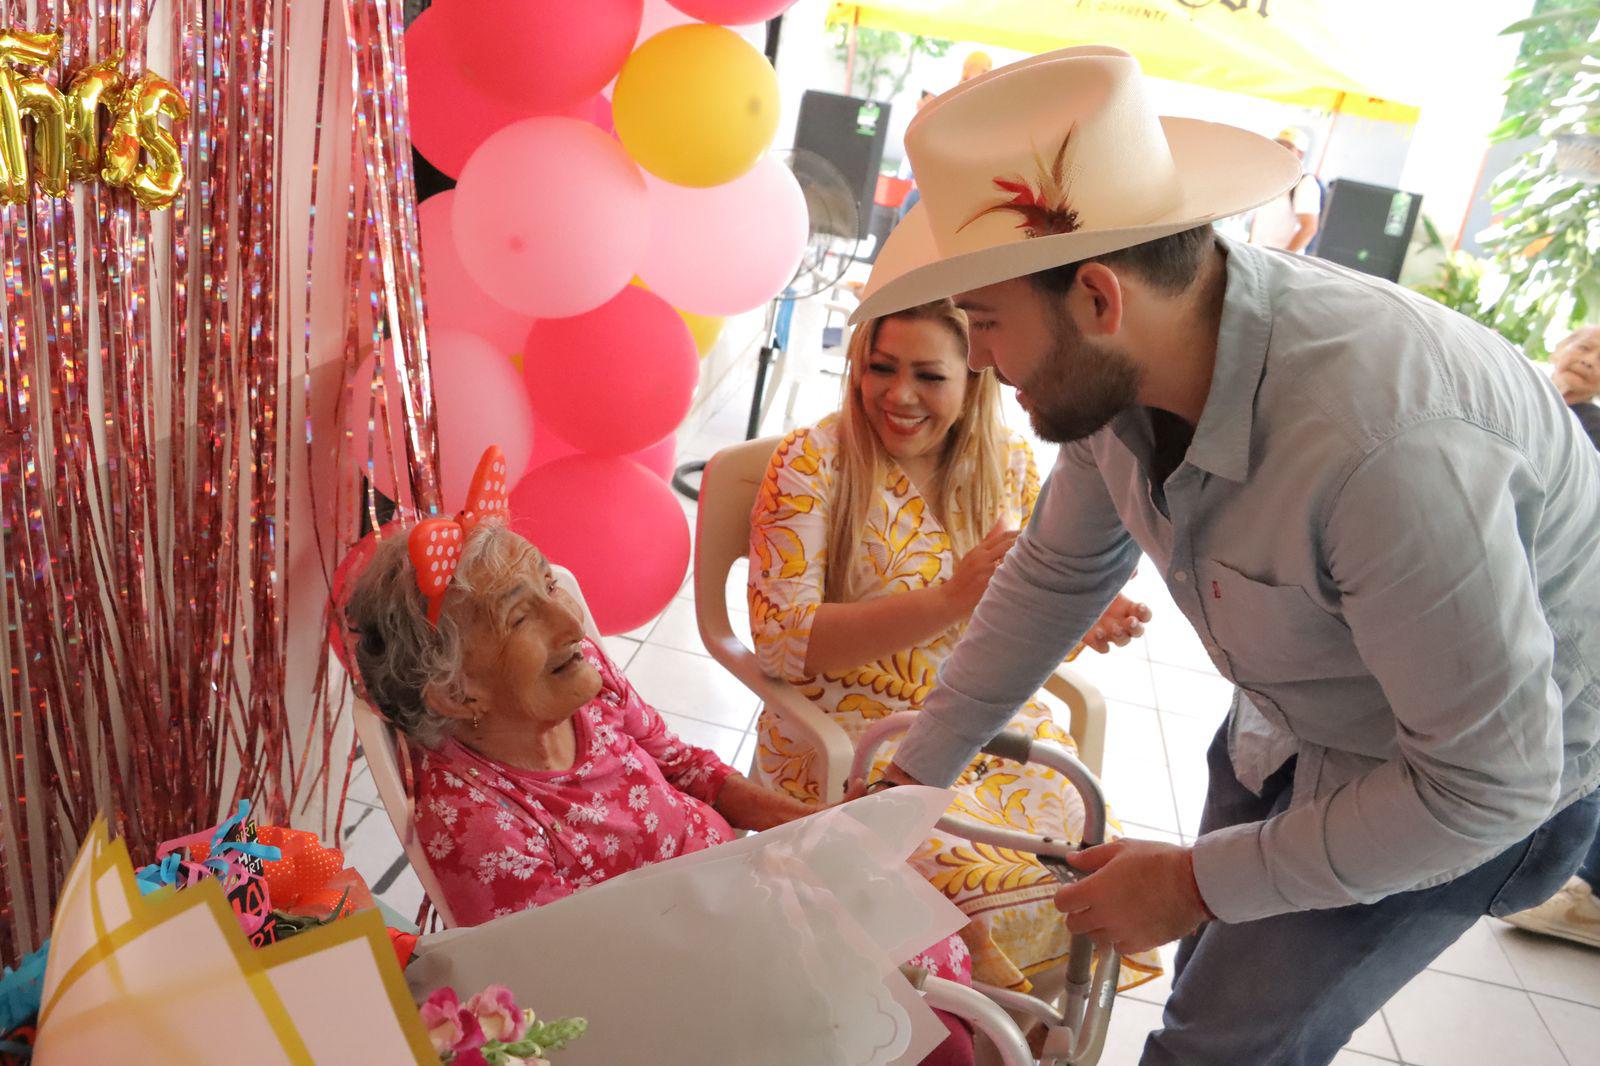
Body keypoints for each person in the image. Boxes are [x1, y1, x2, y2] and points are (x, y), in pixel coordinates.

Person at [852, 46, 1600, 1065]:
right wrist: (917, 772)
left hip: (1465, 784)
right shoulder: (1121, 365)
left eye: (985, 325)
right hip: (1294, 715)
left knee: (1222, 1043)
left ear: (1100, 300)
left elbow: (1484, 785)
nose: (979, 360)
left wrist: (1194, 879)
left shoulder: (1387, 450)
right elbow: (1060, 568)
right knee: (1211, 984)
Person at [748, 297, 1159, 997]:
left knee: (1090, 877)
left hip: (993, 724)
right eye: (881, 368)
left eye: (928, 377)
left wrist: (1072, 624)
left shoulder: (1012, 470)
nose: (898, 396)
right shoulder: (813, 462)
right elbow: (783, 643)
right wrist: (950, 598)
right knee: (966, 891)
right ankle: (966, 1026)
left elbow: (1012, 627)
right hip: (851, 738)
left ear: (974, 378)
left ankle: (1025, 1030)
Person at [1500, 323, 1600, 949]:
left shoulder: (1591, 432)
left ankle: (1575, 884)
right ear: (1559, 345)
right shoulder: (1520, 389)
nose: (1589, 362)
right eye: (1584, 347)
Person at [1249, 127, 1322, 253]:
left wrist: (1282, 259)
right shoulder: (1272, 179)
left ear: (1301, 154)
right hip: (1257, 257)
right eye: (1278, 145)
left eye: (1288, 147)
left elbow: (1309, 228)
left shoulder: (1305, 182)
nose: (1282, 150)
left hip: (1279, 264)